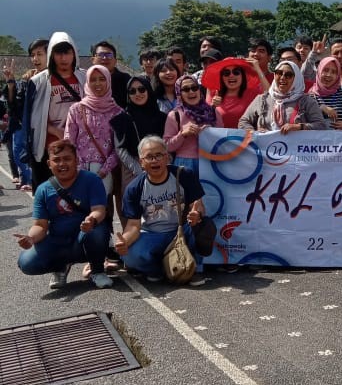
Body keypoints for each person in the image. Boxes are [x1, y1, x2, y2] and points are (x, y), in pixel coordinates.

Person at [16, 139, 113, 290]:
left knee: (97, 230)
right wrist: (31, 238)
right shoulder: (43, 189)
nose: (62, 164)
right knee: (26, 262)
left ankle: (97, 271)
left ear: (76, 160)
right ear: (49, 164)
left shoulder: (91, 180)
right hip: (59, 241)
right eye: (57, 160)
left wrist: (91, 220)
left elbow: (100, 210)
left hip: (84, 237)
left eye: (67, 159)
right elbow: (40, 225)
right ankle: (60, 267)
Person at [116, 136, 205, 284]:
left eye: (159, 155)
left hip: (182, 230)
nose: (154, 160)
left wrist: (197, 214)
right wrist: (124, 242)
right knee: (129, 255)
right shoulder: (134, 188)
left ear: (167, 157)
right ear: (141, 163)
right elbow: (133, 226)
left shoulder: (185, 175)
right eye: (149, 157)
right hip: (153, 234)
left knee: (204, 227)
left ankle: (194, 269)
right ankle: (157, 270)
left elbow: (198, 205)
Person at [22, 31, 87, 190]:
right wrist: (54, 130)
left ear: (74, 54)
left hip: (79, 145)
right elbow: (29, 116)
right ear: (51, 54)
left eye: (67, 52)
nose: (63, 58)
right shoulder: (39, 81)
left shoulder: (84, 77)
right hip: (48, 147)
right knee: (49, 194)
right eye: (59, 53)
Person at [63, 65, 122, 197]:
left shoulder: (117, 112)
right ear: (87, 83)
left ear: (108, 81)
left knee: (102, 210)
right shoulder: (76, 109)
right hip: (79, 171)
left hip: (106, 172)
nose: (98, 83)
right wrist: (80, 168)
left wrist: (104, 170)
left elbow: (119, 147)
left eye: (102, 79)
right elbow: (68, 142)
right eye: (93, 80)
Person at [3, 37, 48, 191]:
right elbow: (15, 103)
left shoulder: (60, 78)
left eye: (40, 54)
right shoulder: (29, 80)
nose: (35, 58)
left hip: (53, 130)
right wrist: (10, 82)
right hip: (28, 126)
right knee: (18, 153)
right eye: (33, 55)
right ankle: (29, 179)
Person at [111, 74, 167, 196]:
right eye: (132, 91)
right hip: (133, 169)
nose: (137, 94)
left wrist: (161, 164)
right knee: (135, 209)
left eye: (142, 89)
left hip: (161, 166)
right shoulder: (121, 119)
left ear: (148, 90)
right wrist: (140, 169)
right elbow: (120, 149)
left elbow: (168, 143)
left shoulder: (162, 117)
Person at [239, 60, 326, 132]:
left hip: (295, 151)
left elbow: (321, 126)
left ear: (296, 79)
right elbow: (243, 122)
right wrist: (255, 133)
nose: (282, 77)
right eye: (279, 73)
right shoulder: (262, 99)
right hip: (264, 150)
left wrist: (299, 127)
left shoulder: (307, 101)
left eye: (288, 75)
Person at [164, 74, 223, 174]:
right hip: (185, 164)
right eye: (186, 89)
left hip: (211, 161)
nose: (191, 92)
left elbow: (222, 138)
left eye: (194, 88)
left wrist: (211, 131)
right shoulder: (174, 115)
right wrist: (182, 134)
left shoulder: (212, 111)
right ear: (179, 93)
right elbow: (166, 146)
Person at [202, 57, 261, 128]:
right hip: (220, 138)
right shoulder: (214, 93)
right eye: (226, 73)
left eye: (236, 72)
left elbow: (270, 96)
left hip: (246, 138)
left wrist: (258, 70)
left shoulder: (252, 93)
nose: (231, 75)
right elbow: (204, 119)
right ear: (222, 77)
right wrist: (213, 106)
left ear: (242, 76)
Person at [310, 56, 342, 129]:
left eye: (334, 72)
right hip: (315, 140)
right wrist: (321, 108)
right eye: (325, 70)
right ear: (319, 71)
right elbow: (304, 120)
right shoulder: (309, 96)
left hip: (341, 139)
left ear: (338, 75)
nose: (329, 75)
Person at [91, 40, 130, 105]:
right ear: (93, 60)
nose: (104, 58)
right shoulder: (85, 79)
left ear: (115, 61)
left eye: (109, 55)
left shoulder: (126, 80)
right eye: (100, 55)